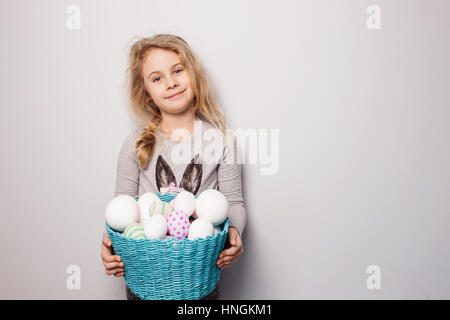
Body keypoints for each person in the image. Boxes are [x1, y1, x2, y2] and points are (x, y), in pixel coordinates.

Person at [101, 34, 246, 300]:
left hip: (198, 279)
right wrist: (110, 243)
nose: (171, 82)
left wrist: (234, 231)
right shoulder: (136, 144)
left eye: (177, 70)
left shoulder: (220, 142)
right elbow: (121, 206)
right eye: (157, 78)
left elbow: (233, 202)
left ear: (194, 75)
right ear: (146, 94)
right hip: (147, 279)